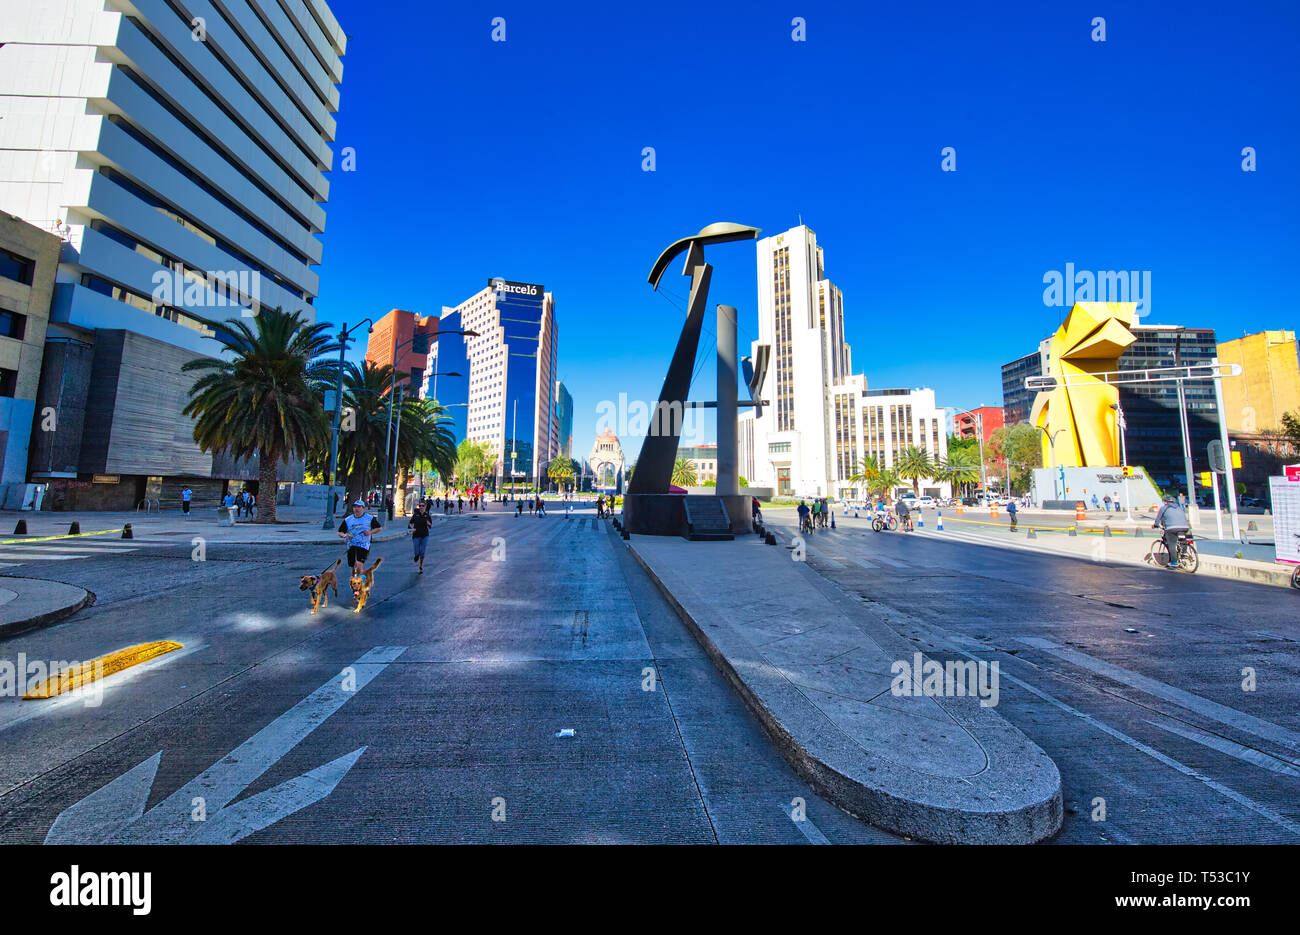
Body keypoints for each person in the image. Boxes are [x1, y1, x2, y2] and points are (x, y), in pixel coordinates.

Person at [338, 499, 382, 583]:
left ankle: (360, 585)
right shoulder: (348, 519)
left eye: (359, 507)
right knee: (353, 567)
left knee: (359, 566)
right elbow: (340, 532)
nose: (356, 509)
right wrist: (345, 536)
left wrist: (369, 532)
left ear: (363, 508)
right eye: (354, 507)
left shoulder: (369, 518)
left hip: (363, 545)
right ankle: (355, 582)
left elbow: (379, 528)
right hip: (351, 545)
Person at [1153, 495, 1190, 569]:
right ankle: (1184, 553)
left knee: (1172, 544)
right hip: (1185, 527)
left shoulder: (1164, 508)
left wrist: (1156, 525)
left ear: (1165, 502)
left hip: (1171, 528)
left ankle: (1174, 563)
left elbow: (1158, 519)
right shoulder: (1179, 508)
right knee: (1182, 540)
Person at [408, 503, 431, 574]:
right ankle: (416, 556)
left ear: (425, 507)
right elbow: (410, 524)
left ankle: (420, 566)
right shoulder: (415, 515)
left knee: (422, 551)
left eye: (423, 506)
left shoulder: (427, 515)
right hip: (416, 535)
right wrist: (412, 528)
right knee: (416, 550)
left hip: (425, 535)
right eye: (420, 506)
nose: (421, 507)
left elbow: (430, 525)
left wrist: (428, 523)